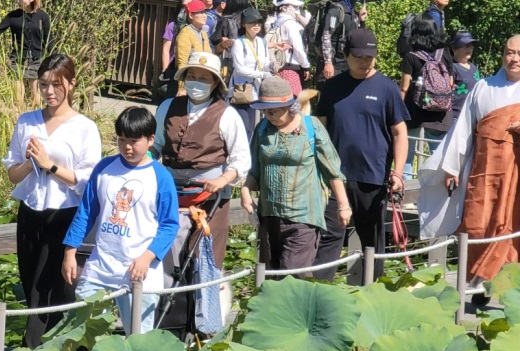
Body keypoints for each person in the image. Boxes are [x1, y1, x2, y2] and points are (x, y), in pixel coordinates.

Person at [2, 54, 102, 347]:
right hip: (31, 211)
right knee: (32, 283)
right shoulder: (27, 121)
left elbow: (87, 182)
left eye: (57, 85)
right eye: (43, 84)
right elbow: (13, 174)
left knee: (59, 287)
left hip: (65, 214)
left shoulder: (84, 127)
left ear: (71, 84)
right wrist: (31, 162)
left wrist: (50, 165)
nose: (49, 91)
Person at [62, 107, 179, 333]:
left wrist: (147, 257)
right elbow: (86, 211)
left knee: (138, 339)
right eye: (122, 139)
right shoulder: (104, 168)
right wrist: (69, 251)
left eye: (134, 141)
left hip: (140, 272)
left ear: (150, 139)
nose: (127, 147)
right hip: (100, 267)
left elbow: (169, 224)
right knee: (83, 333)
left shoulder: (160, 176)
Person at [419, 35, 520, 284]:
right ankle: (476, 281)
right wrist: (452, 167)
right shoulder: (484, 87)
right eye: (509, 52)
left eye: (519, 54)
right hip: (482, 172)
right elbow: (463, 129)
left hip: (516, 177)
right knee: (476, 223)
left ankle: (501, 285)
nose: (514, 58)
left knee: (510, 226)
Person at [312, 29, 409, 280]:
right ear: (346, 55)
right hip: (334, 177)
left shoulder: (387, 88)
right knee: (330, 236)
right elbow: (318, 130)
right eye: (359, 57)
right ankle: (320, 292)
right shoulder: (332, 88)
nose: (365, 62)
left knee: (372, 241)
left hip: (373, 177)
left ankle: (372, 291)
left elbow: (400, 132)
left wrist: (397, 172)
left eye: (370, 57)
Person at [241, 76, 351, 274]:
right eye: (265, 110)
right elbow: (255, 170)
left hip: (303, 218)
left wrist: (343, 206)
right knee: (270, 281)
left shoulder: (312, 127)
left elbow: (333, 171)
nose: (268, 115)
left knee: (292, 278)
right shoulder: (262, 129)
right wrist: (246, 189)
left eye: (272, 110)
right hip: (269, 217)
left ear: (289, 106)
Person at [153, 51, 251, 272]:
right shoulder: (168, 107)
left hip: (210, 196)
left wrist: (222, 179)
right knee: (168, 253)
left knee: (203, 257)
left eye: (204, 78)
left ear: (215, 82)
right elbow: (156, 145)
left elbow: (241, 158)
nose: (196, 82)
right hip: (171, 192)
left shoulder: (227, 115)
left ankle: (203, 305)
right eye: (192, 76)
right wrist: (145, 160)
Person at [399, 16, 454, 178]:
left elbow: (404, 88)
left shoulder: (411, 56)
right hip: (441, 116)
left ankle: (406, 194)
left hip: (415, 114)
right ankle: (436, 193)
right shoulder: (444, 53)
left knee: (407, 157)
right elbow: (450, 83)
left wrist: (397, 111)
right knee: (438, 156)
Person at [230, 6, 271, 140]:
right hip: (241, 89)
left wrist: (273, 66)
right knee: (243, 127)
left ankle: (250, 157)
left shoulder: (262, 42)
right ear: (244, 24)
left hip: (256, 90)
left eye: (258, 22)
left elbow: (264, 63)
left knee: (254, 128)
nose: (256, 25)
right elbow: (239, 68)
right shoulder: (238, 43)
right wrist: (261, 74)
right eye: (252, 22)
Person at [321, 0, 368, 80]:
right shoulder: (335, 10)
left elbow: (360, 37)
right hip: (335, 67)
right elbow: (326, 35)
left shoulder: (353, 13)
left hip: (349, 65)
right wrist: (328, 63)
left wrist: (362, 21)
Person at [272, 0, 311, 95]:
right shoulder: (290, 23)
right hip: (290, 67)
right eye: (295, 7)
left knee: (281, 101)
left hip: (277, 67)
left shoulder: (276, 22)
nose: (297, 10)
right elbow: (297, 47)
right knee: (294, 103)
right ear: (284, 8)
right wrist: (306, 66)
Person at [175, 0, 213, 93]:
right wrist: (181, 88)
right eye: (200, 12)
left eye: (205, 12)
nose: (205, 15)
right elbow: (182, 63)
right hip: (190, 80)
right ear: (191, 15)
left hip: (202, 79)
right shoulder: (185, 33)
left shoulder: (203, 32)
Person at [448, 30, 481, 125]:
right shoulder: (451, 67)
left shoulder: (474, 68)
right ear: (455, 48)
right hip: (455, 116)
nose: (469, 48)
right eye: (465, 46)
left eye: (471, 46)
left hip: (472, 116)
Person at [160, 0, 195, 75]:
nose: (186, 9)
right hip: (174, 67)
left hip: (192, 67)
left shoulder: (198, 27)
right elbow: (166, 49)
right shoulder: (172, 25)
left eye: (189, 5)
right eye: (183, 6)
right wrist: (165, 71)